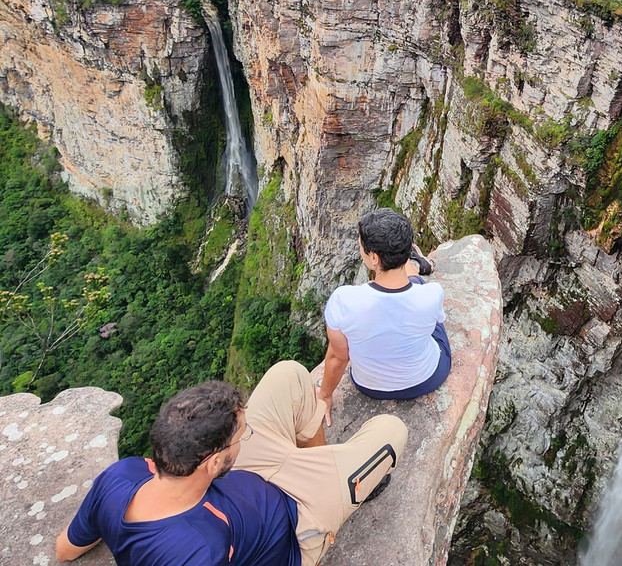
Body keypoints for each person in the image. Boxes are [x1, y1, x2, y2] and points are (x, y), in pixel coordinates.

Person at [56, 361, 407, 566]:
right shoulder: (198, 549)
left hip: (238, 478)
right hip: (299, 518)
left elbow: (66, 549)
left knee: (289, 373)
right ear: (214, 460)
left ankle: (315, 456)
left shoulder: (122, 475)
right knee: (392, 430)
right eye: (242, 433)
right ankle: (335, 487)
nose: (247, 430)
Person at [318, 208, 450, 411]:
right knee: (418, 288)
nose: (360, 250)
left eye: (362, 247)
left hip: (370, 387)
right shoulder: (432, 293)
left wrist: (324, 396)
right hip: (427, 378)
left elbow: (338, 357)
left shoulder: (343, 300)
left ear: (374, 258)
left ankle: (414, 263)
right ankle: (414, 262)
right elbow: (435, 323)